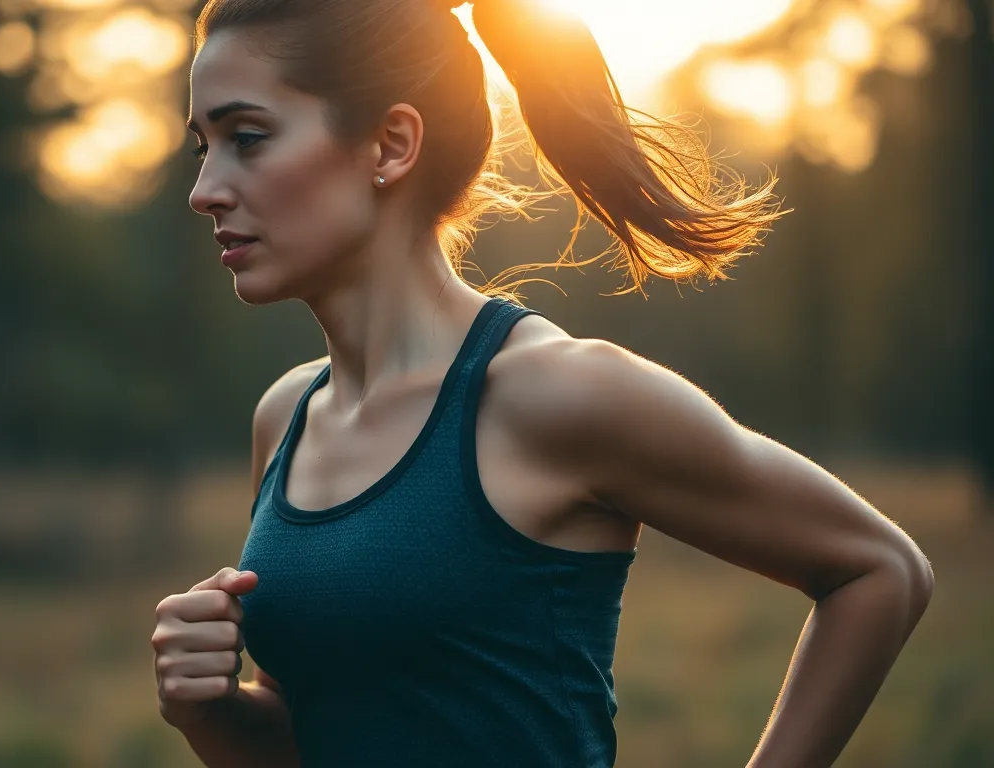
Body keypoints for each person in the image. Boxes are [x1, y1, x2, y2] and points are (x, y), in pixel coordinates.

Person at [150, 0, 934, 765]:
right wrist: (209, 710)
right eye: (202, 149)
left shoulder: (554, 394)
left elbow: (879, 570)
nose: (204, 189)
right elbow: (306, 737)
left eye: (246, 138)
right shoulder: (287, 416)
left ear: (391, 144)